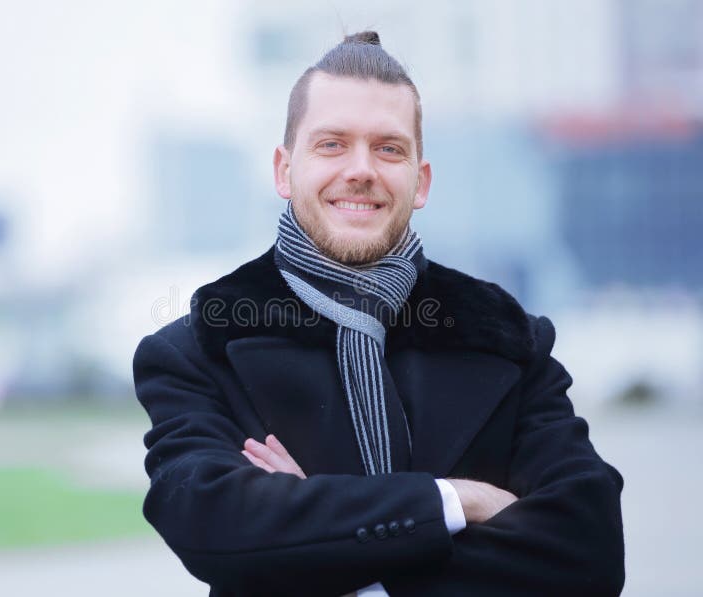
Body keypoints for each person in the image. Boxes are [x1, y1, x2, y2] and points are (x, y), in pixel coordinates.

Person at [133, 31, 625, 596]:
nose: (361, 169)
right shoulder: (197, 347)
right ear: (282, 170)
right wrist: (457, 500)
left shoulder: (509, 338)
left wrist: (317, 539)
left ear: (421, 181)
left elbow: (590, 554)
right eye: (332, 144)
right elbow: (212, 527)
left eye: (389, 148)